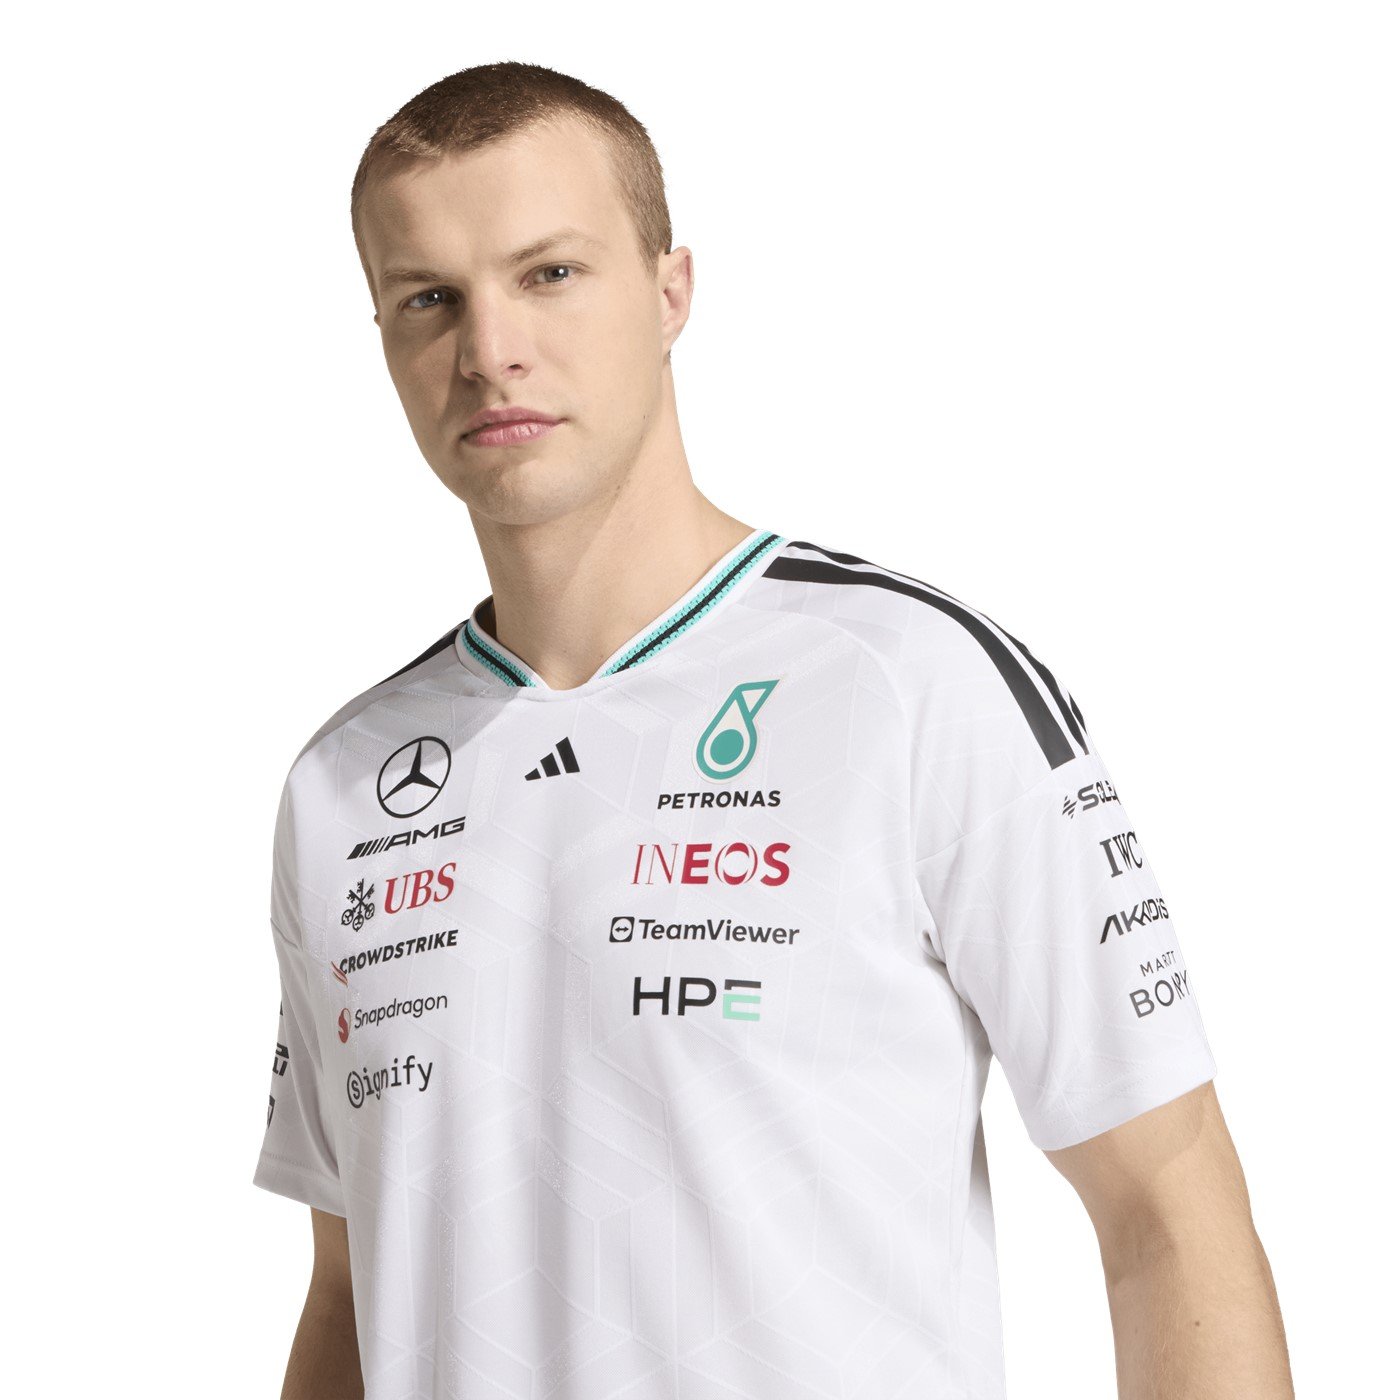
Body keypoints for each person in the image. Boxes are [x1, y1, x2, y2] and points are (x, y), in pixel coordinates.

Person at [252, 60, 1293, 1400]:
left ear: (670, 292)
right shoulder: (344, 786)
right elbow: (352, 1290)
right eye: (428, 299)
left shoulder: (910, 685)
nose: (489, 347)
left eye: (550, 273)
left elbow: (1168, 1207)